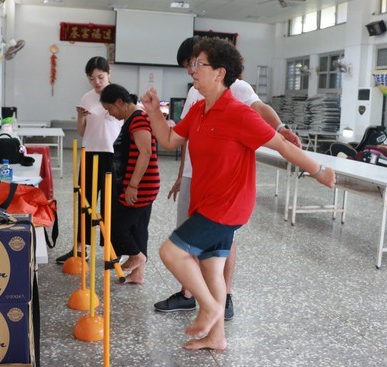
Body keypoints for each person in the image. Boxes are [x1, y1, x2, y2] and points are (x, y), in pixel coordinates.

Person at [141, 37, 335, 350]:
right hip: (208, 201)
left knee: (172, 252)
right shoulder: (200, 109)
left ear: (219, 73)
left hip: (228, 206)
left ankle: (210, 307)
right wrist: (153, 112)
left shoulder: (239, 112)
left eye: (199, 64)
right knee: (211, 267)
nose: (192, 70)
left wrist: (319, 171)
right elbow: (168, 140)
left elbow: (283, 145)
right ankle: (217, 338)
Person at [153, 36, 302, 320]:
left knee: (223, 239)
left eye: (194, 62)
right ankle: (188, 294)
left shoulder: (236, 87)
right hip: (193, 177)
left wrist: (281, 128)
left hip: (223, 182)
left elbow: (261, 110)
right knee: (187, 236)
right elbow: (185, 136)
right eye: (189, 64)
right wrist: (181, 174)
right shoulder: (196, 92)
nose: (190, 70)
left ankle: (223, 298)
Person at [57, 56, 123, 264]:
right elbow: (81, 130)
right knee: (85, 201)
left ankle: (111, 250)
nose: (97, 82)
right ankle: (80, 248)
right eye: (92, 78)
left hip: (113, 154)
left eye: (100, 77)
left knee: (110, 204)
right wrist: (81, 116)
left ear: (109, 73)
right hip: (90, 151)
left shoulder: (119, 94)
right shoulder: (87, 97)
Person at [99, 84, 160, 284]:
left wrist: (132, 185)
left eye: (110, 109)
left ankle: (137, 256)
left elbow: (146, 152)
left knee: (116, 227)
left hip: (141, 185)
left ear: (120, 102)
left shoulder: (138, 119)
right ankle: (138, 274)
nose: (111, 114)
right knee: (138, 227)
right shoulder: (133, 119)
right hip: (143, 183)